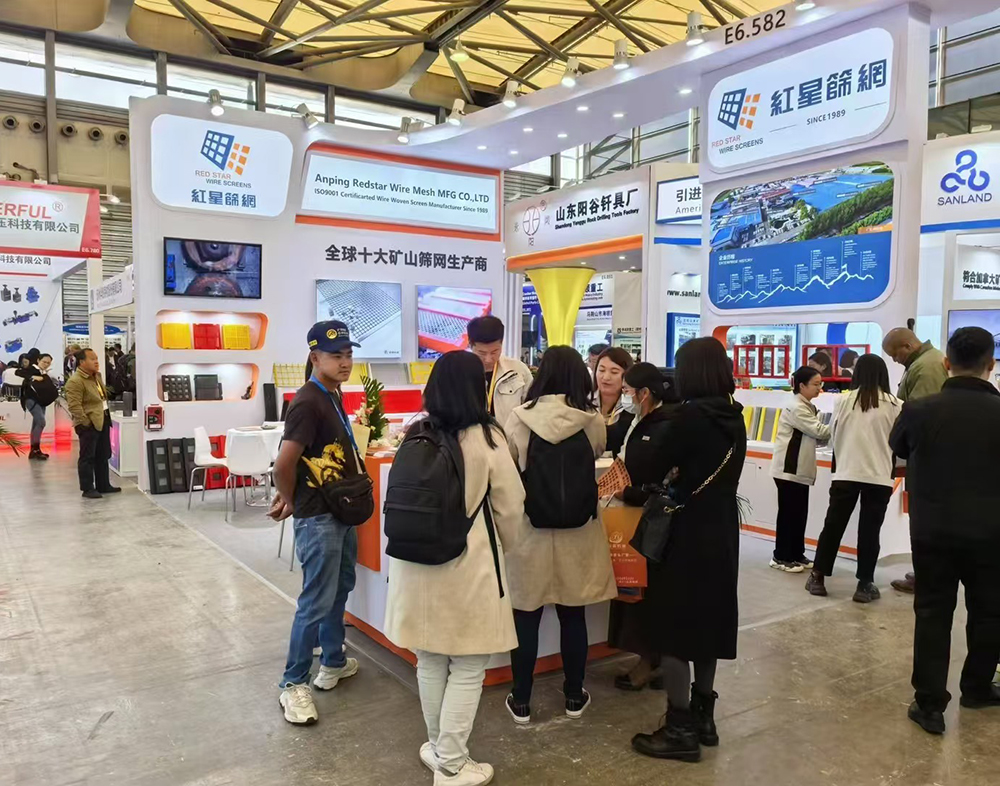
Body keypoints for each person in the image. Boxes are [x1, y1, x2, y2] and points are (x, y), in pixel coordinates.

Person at [385, 351, 526, 786]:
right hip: (469, 566)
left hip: (414, 566)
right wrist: (506, 547)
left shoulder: (415, 433)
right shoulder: (487, 437)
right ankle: (451, 764)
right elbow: (511, 506)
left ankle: (439, 749)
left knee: (428, 657)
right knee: (468, 664)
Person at [632, 337, 747, 762]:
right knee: (709, 621)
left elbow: (649, 467)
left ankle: (679, 728)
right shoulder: (734, 415)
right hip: (722, 526)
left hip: (686, 528)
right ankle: (704, 718)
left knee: (675, 626)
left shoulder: (687, 417)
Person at [889, 327, 1000, 735]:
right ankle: (977, 686)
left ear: (947, 362)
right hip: (992, 533)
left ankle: (930, 704)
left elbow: (898, 446)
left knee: (933, 612)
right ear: (991, 365)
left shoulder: (919, 410)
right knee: (989, 611)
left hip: (933, 530)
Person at [503, 345, 614, 724]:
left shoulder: (519, 418)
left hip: (530, 530)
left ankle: (521, 699)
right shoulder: (592, 419)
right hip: (578, 533)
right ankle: (573, 695)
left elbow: (512, 466)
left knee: (526, 616)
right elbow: (598, 453)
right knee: (573, 615)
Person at [268, 321, 369, 726]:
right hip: (319, 517)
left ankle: (333, 660)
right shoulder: (308, 402)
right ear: (315, 358)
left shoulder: (332, 393)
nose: (345, 362)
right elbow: (283, 465)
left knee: (339, 589)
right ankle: (293, 683)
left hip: (339, 510)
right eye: (335, 355)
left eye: (348, 354)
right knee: (314, 601)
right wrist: (293, 500)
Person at [805, 355, 901, 602]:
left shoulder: (842, 400)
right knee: (870, 530)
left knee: (833, 525)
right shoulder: (896, 404)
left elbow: (834, 433)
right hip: (879, 475)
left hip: (846, 472)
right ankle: (865, 583)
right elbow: (898, 443)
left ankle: (817, 576)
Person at [607, 362, 677, 691]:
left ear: (644, 393)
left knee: (650, 596)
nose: (625, 396)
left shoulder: (666, 423)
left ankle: (651, 662)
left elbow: (665, 479)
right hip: (638, 515)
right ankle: (654, 660)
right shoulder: (643, 420)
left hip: (654, 519)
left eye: (628, 391)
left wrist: (631, 493)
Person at [882, 328, 949, 594]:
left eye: (895, 354)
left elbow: (923, 417)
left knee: (925, 522)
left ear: (907, 346)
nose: (895, 360)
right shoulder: (924, 363)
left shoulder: (927, 367)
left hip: (927, 461)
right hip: (925, 459)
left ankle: (926, 577)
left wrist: (901, 441)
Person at [770, 366, 830, 572]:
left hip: (799, 471)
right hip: (789, 470)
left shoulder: (806, 405)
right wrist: (843, 422)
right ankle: (781, 557)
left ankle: (796, 554)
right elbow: (819, 431)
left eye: (821, 383)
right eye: (816, 384)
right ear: (802, 386)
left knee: (798, 514)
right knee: (788, 515)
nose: (819, 388)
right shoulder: (796, 407)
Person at [64, 348, 119, 498]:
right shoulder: (76, 381)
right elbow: (74, 406)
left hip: (102, 420)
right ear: (82, 362)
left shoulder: (96, 376)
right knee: (87, 457)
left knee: (103, 454)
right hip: (89, 424)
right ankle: (87, 488)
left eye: (97, 358)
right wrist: (85, 422)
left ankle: (103, 485)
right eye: (92, 359)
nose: (96, 362)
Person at [466, 315, 533, 429]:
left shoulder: (517, 370)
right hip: (472, 438)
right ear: (470, 345)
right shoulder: (460, 373)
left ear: (502, 343)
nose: (488, 359)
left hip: (509, 438)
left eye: (494, 352)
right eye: (482, 353)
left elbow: (531, 408)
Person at [16, 352, 58, 460]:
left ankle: (35, 450)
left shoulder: (43, 372)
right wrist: (32, 377)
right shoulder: (32, 369)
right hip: (31, 399)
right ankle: (35, 449)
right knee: (41, 422)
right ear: (38, 360)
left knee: (36, 424)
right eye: (44, 362)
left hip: (40, 400)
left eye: (48, 363)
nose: (46, 364)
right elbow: (18, 372)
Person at [593, 346, 634, 456]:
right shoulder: (584, 400)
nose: (606, 377)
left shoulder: (632, 406)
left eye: (614, 372)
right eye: (601, 370)